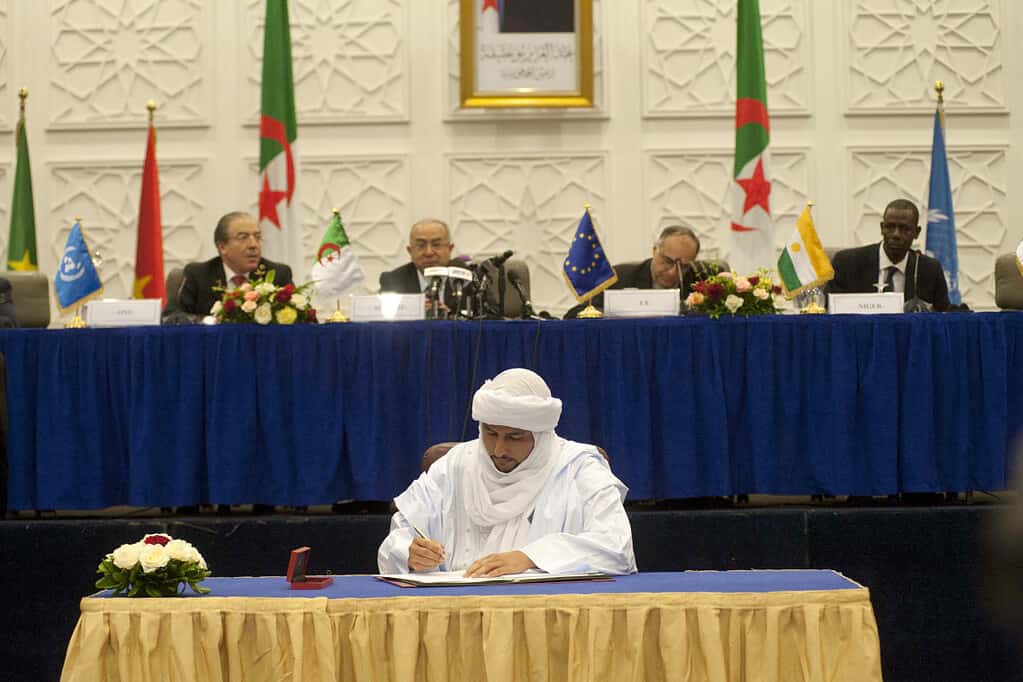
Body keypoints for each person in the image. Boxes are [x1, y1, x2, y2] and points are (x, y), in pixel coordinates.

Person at [378, 368, 636, 577]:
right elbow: (399, 536)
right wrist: (409, 552)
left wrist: (530, 557)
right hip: (455, 608)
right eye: (490, 433)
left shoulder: (579, 468)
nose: (499, 449)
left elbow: (616, 547)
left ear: (541, 435)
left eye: (514, 437)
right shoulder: (453, 465)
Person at [564, 225, 724, 318]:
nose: (672, 272)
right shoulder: (620, 277)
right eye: (667, 261)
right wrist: (615, 312)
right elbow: (575, 313)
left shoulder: (701, 280)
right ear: (654, 250)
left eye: (683, 266)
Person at [826, 198, 950, 311]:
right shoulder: (847, 264)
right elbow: (829, 309)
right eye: (890, 227)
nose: (896, 234)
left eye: (904, 229)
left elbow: (945, 314)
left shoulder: (929, 269)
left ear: (916, 232)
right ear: (882, 228)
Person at [164, 211, 293, 318]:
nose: (254, 245)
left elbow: (299, 319)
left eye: (257, 237)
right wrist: (211, 321)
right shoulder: (198, 275)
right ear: (222, 247)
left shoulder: (278, 274)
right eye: (243, 237)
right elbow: (171, 317)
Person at [379, 218, 472, 314]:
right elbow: (384, 317)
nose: (429, 252)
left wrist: (449, 317)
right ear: (410, 251)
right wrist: (413, 314)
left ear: (450, 249)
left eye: (436, 245)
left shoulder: (468, 279)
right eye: (421, 245)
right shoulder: (393, 281)